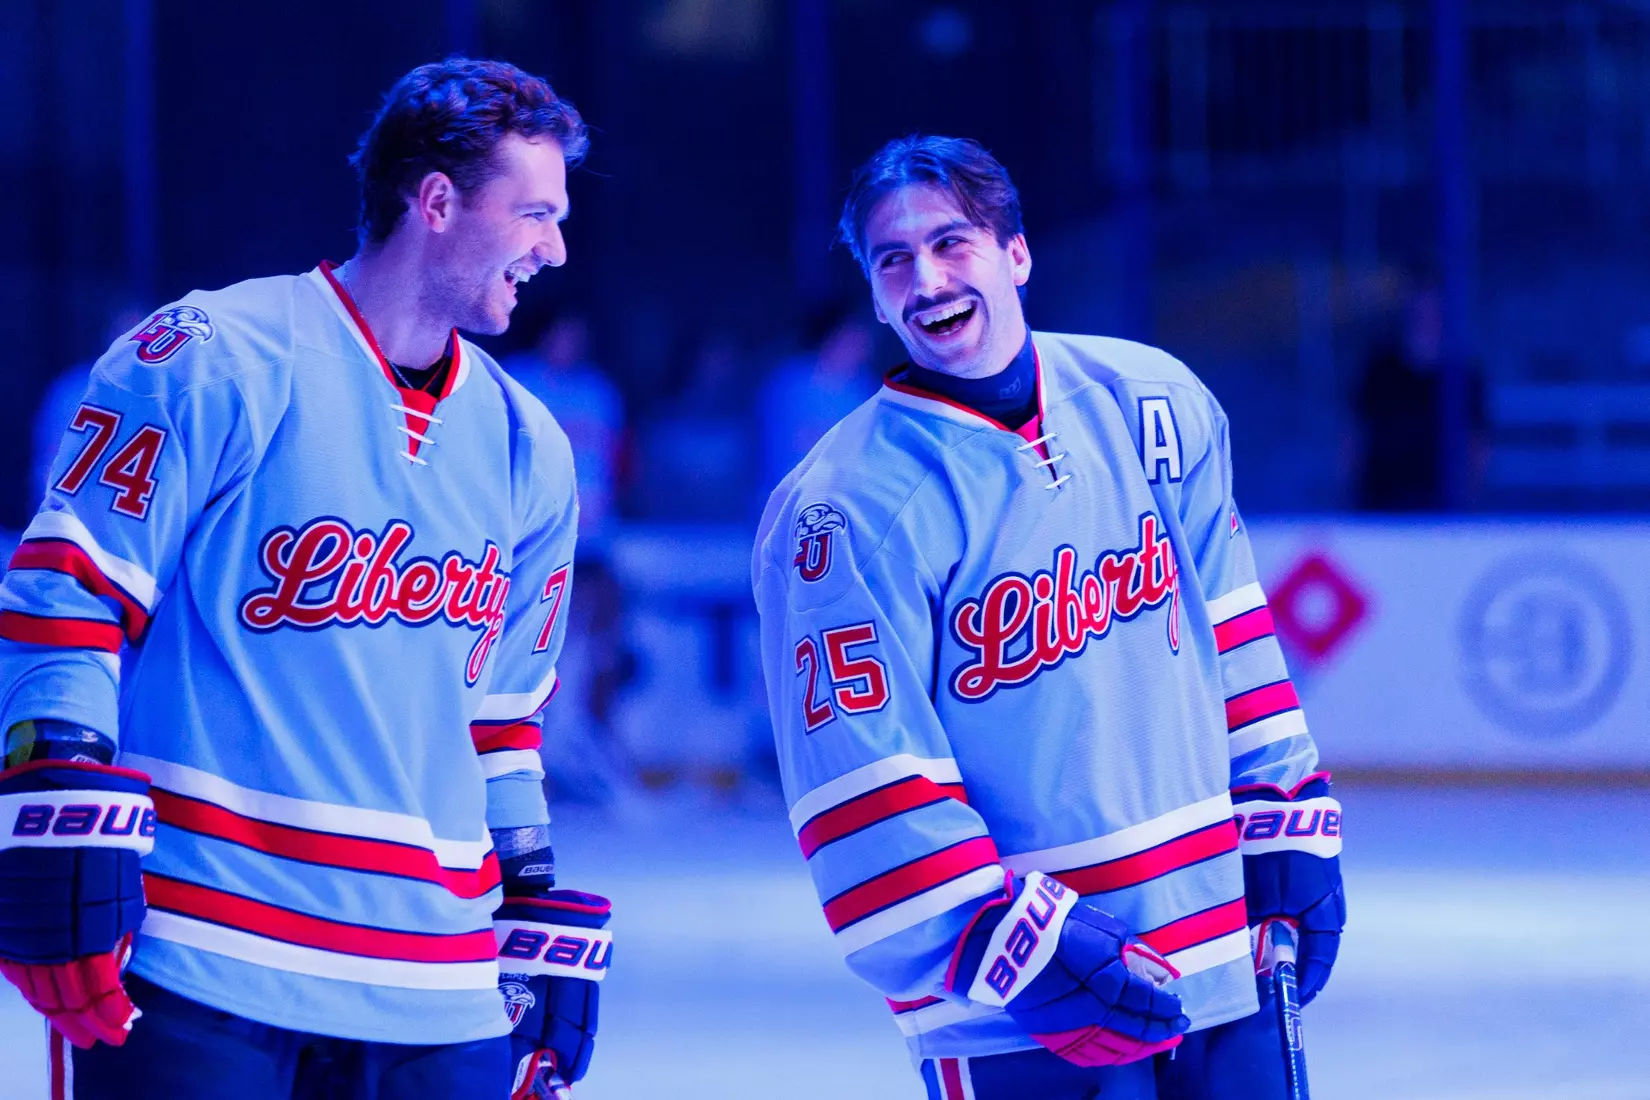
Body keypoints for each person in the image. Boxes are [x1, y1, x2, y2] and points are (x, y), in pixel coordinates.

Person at [0, 59, 610, 1100]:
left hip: (441, 987)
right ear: (437, 201)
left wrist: (530, 886)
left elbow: (502, 717)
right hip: (204, 956)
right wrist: (51, 772)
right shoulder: (213, 352)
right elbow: (72, 582)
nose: (554, 248)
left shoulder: (529, 445)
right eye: (536, 213)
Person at [752, 136, 1345, 1099]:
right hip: (1018, 1006)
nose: (926, 279)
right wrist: (997, 939)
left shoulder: (1154, 401)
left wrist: (1284, 812)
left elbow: (1232, 628)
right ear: (870, 293)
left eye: (952, 244)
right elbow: (863, 773)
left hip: (1216, 945)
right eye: (892, 260)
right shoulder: (843, 507)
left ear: (1017, 253)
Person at [504, 314, 626, 539]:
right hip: (525, 516)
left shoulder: (597, 391)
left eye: (576, 337)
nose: (568, 343)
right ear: (545, 334)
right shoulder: (516, 377)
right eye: (563, 334)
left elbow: (614, 455)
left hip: (589, 519)